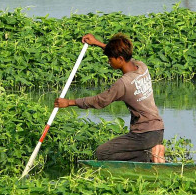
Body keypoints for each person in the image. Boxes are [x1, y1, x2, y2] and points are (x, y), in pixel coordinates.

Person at [53, 33, 166, 163]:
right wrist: (97, 43)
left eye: (110, 58)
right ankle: (153, 152)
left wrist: (69, 102)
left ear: (120, 59)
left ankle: (150, 155)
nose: (108, 61)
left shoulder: (123, 84)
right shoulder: (141, 66)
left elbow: (100, 101)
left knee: (103, 153)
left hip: (143, 134)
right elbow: (123, 53)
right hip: (158, 130)